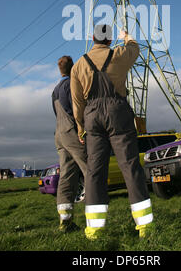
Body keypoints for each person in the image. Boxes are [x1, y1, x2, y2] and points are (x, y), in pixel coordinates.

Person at [70, 24, 153, 240]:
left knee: (95, 171)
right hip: (118, 111)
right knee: (130, 165)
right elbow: (135, 49)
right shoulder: (119, 55)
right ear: (109, 40)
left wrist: (80, 127)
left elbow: (77, 102)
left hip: (92, 115)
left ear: (93, 38)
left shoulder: (78, 65)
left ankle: (95, 229)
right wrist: (126, 37)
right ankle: (144, 225)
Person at [52, 55, 87, 232]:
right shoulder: (69, 85)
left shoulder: (56, 89)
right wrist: (80, 128)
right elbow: (73, 109)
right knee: (91, 170)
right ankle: (95, 219)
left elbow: (56, 111)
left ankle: (65, 221)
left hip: (59, 134)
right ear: (73, 69)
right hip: (71, 132)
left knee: (66, 176)